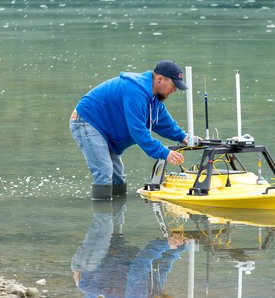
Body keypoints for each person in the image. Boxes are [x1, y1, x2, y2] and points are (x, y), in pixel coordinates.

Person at [70, 60, 193, 200]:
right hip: (87, 121)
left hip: (106, 128)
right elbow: (138, 131)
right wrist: (164, 153)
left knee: (119, 178)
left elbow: (162, 121)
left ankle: (117, 214)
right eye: (173, 85)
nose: (174, 90)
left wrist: (183, 136)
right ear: (160, 79)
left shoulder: (153, 97)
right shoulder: (136, 92)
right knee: (104, 172)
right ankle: (102, 216)